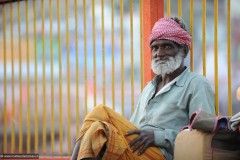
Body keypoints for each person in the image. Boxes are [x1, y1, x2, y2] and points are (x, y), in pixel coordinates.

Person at [71, 17, 216, 160]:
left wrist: (158, 137)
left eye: (166, 46)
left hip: (163, 154)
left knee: (99, 111)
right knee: (97, 130)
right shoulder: (149, 88)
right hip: (137, 150)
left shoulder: (197, 84)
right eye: (155, 48)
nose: (159, 53)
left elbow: (203, 137)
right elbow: (133, 129)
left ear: (184, 50)